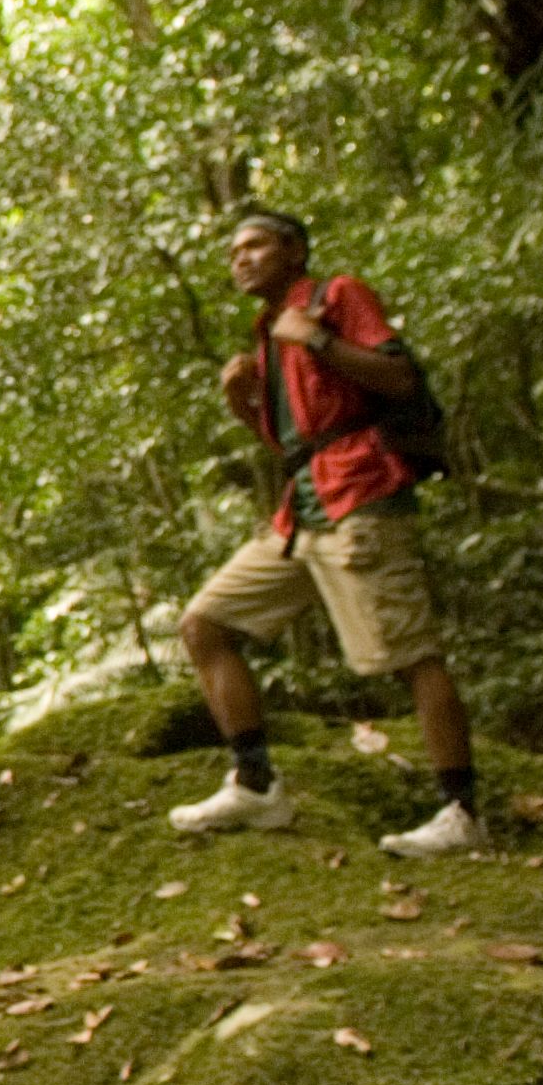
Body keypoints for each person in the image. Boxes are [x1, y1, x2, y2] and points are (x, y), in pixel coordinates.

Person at [169, 208, 484, 858]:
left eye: (256, 245)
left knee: (412, 655)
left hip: (362, 497)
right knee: (205, 625)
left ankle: (463, 813)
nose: (241, 259)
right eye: (234, 252)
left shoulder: (337, 296)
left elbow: (398, 376)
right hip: (302, 511)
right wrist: (240, 401)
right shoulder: (267, 330)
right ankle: (256, 784)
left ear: (294, 251)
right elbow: (294, 441)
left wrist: (316, 338)